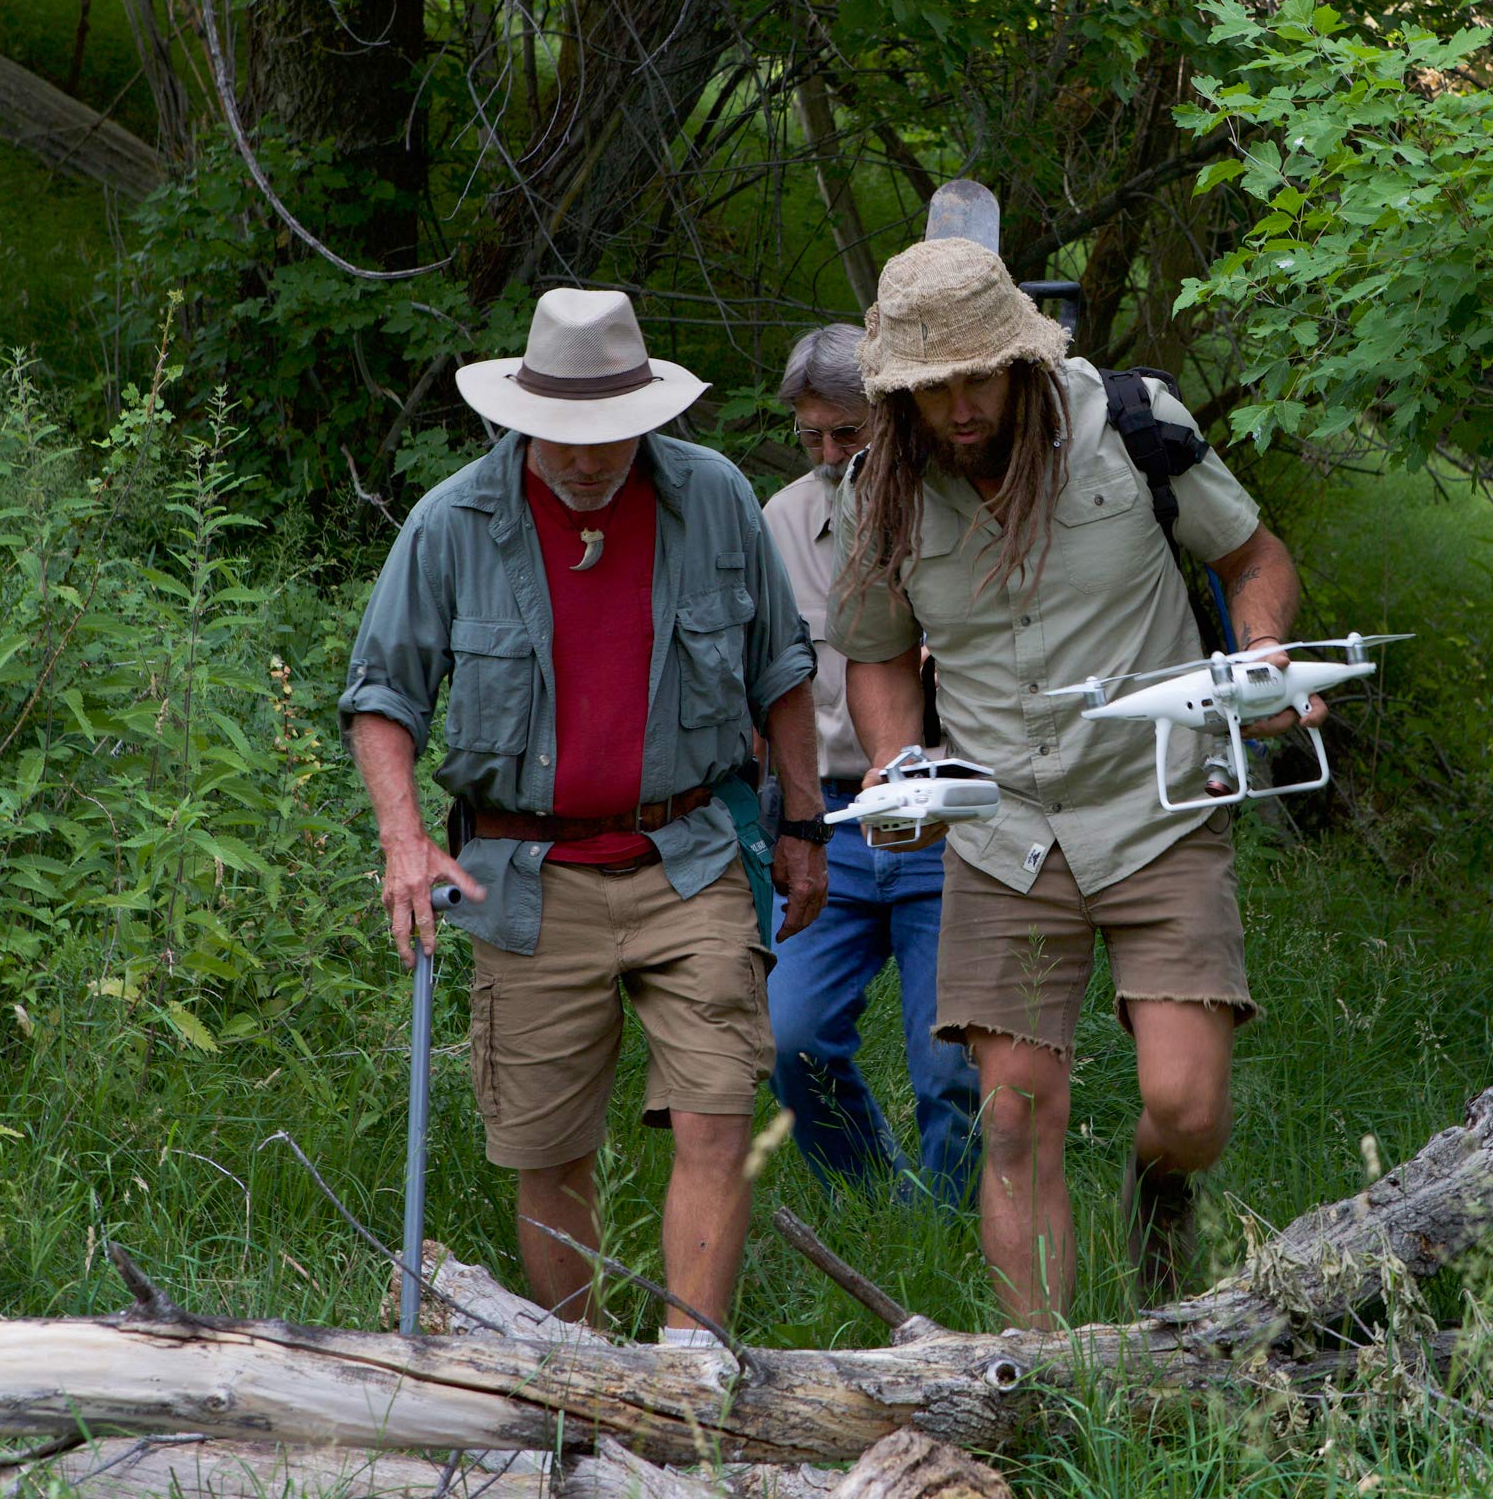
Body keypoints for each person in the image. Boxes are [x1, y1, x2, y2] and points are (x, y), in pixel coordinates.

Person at [828, 240, 1322, 1324]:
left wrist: (1264, 655)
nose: (957, 407)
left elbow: (1254, 561)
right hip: (1002, 830)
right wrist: (894, 760)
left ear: (1019, 362)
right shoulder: (884, 491)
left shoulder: (1132, 429)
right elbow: (874, 650)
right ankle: (1045, 1386)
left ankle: (1157, 1192)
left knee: (1184, 1107)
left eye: (976, 378)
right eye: (928, 388)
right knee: (1012, 1118)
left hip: (1160, 804)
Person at [340, 288, 832, 1335]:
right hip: (525, 877)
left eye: (609, 436)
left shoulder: (716, 502)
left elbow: (782, 672)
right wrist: (403, 837)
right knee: (548, 1148)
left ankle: (689, 1375)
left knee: (717, 1113)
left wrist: (801, 826)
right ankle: (590, 1375)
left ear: (647, 417)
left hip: (692, 853)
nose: (585, 458)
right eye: (562, 438)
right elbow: (382, 697)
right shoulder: (453, 523)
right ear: (520, 418)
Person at [759, 325, 981, 1208]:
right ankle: (877, 1204)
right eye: (811, 436)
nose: (826, 456)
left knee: (953, 1063)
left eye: (846, 436)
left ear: (891, 420)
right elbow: (763, 681)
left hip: (951, 820)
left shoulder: (965, 503)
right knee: (791, 1038)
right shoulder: (779, 521)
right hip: (835, 823)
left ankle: (952, 1226)